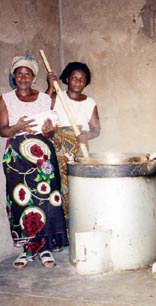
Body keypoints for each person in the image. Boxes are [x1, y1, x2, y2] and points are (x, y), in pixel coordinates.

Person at [0, 55, 69, 269]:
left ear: (33, 77)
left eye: (27, 73)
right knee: (22, 201)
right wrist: (17, 127)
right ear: (14, 76)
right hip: (16, 158)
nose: (23, 77)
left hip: (42, 156)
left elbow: (50, 129)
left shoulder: (44, 99)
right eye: (19, 73)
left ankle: (45, 248)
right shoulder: (5, 99)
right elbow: (2, 130)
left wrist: (50, 131)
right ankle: (27, 251)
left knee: (47, 199)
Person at [46, 62, 100, 216]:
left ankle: (76, 224)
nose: (78, 81)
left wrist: (87, 135)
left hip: (79, 149)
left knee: (78, 187)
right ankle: (60, 229)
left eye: (82, 79)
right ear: (67, 79)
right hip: (57, 148)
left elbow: (96, 129)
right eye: (74, 78)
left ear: (86, 82)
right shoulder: (57, 96)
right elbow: (42, 108)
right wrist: (50, 86)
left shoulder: (90, 103)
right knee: (57, 187)